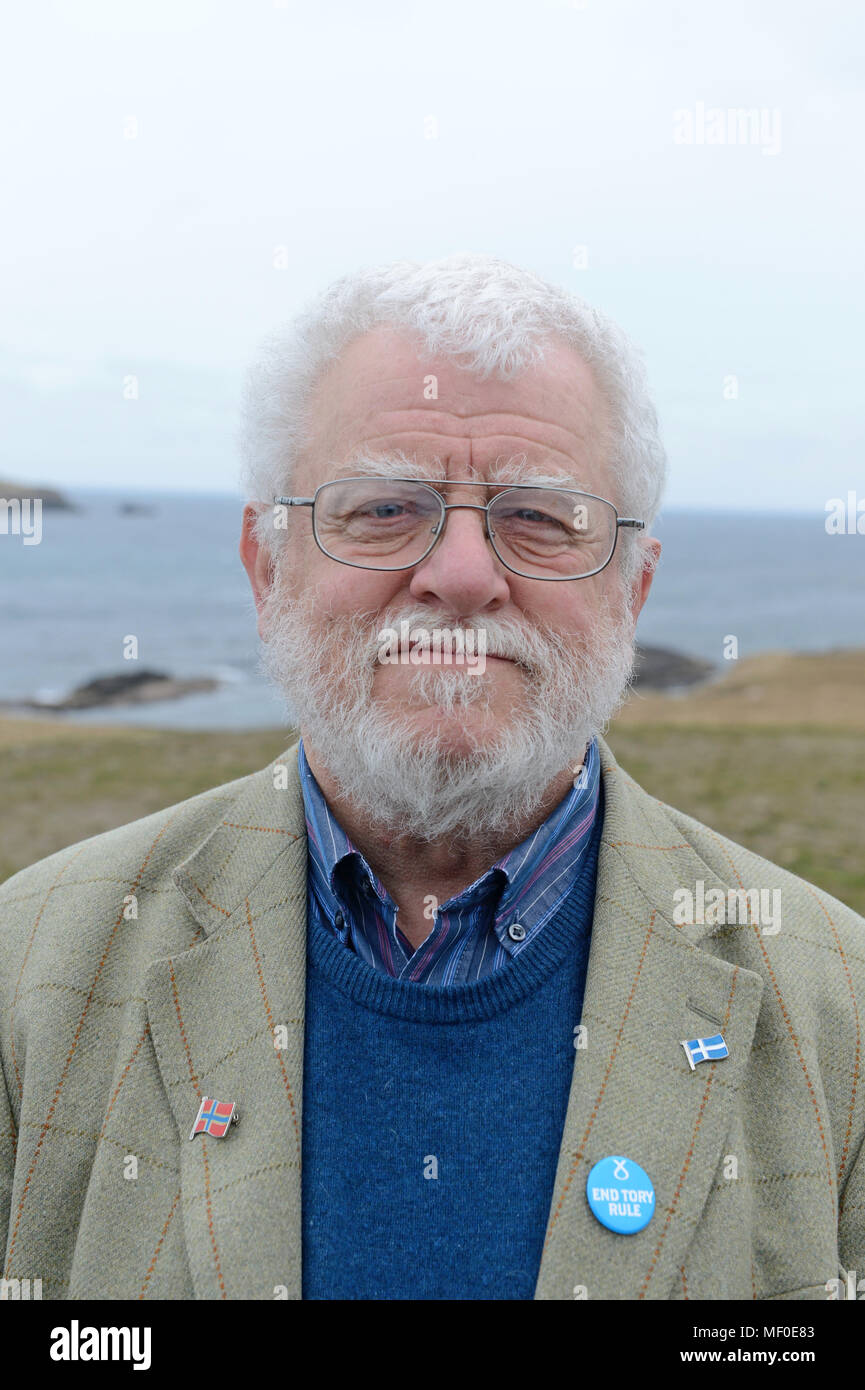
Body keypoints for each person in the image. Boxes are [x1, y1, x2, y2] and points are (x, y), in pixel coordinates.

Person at [1, 253, 863, 1301]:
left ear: (633, 589)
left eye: (538, 517)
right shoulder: (28, 973)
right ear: (267, 565)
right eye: (383, 509)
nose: (460, 574)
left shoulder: (839, 1011)